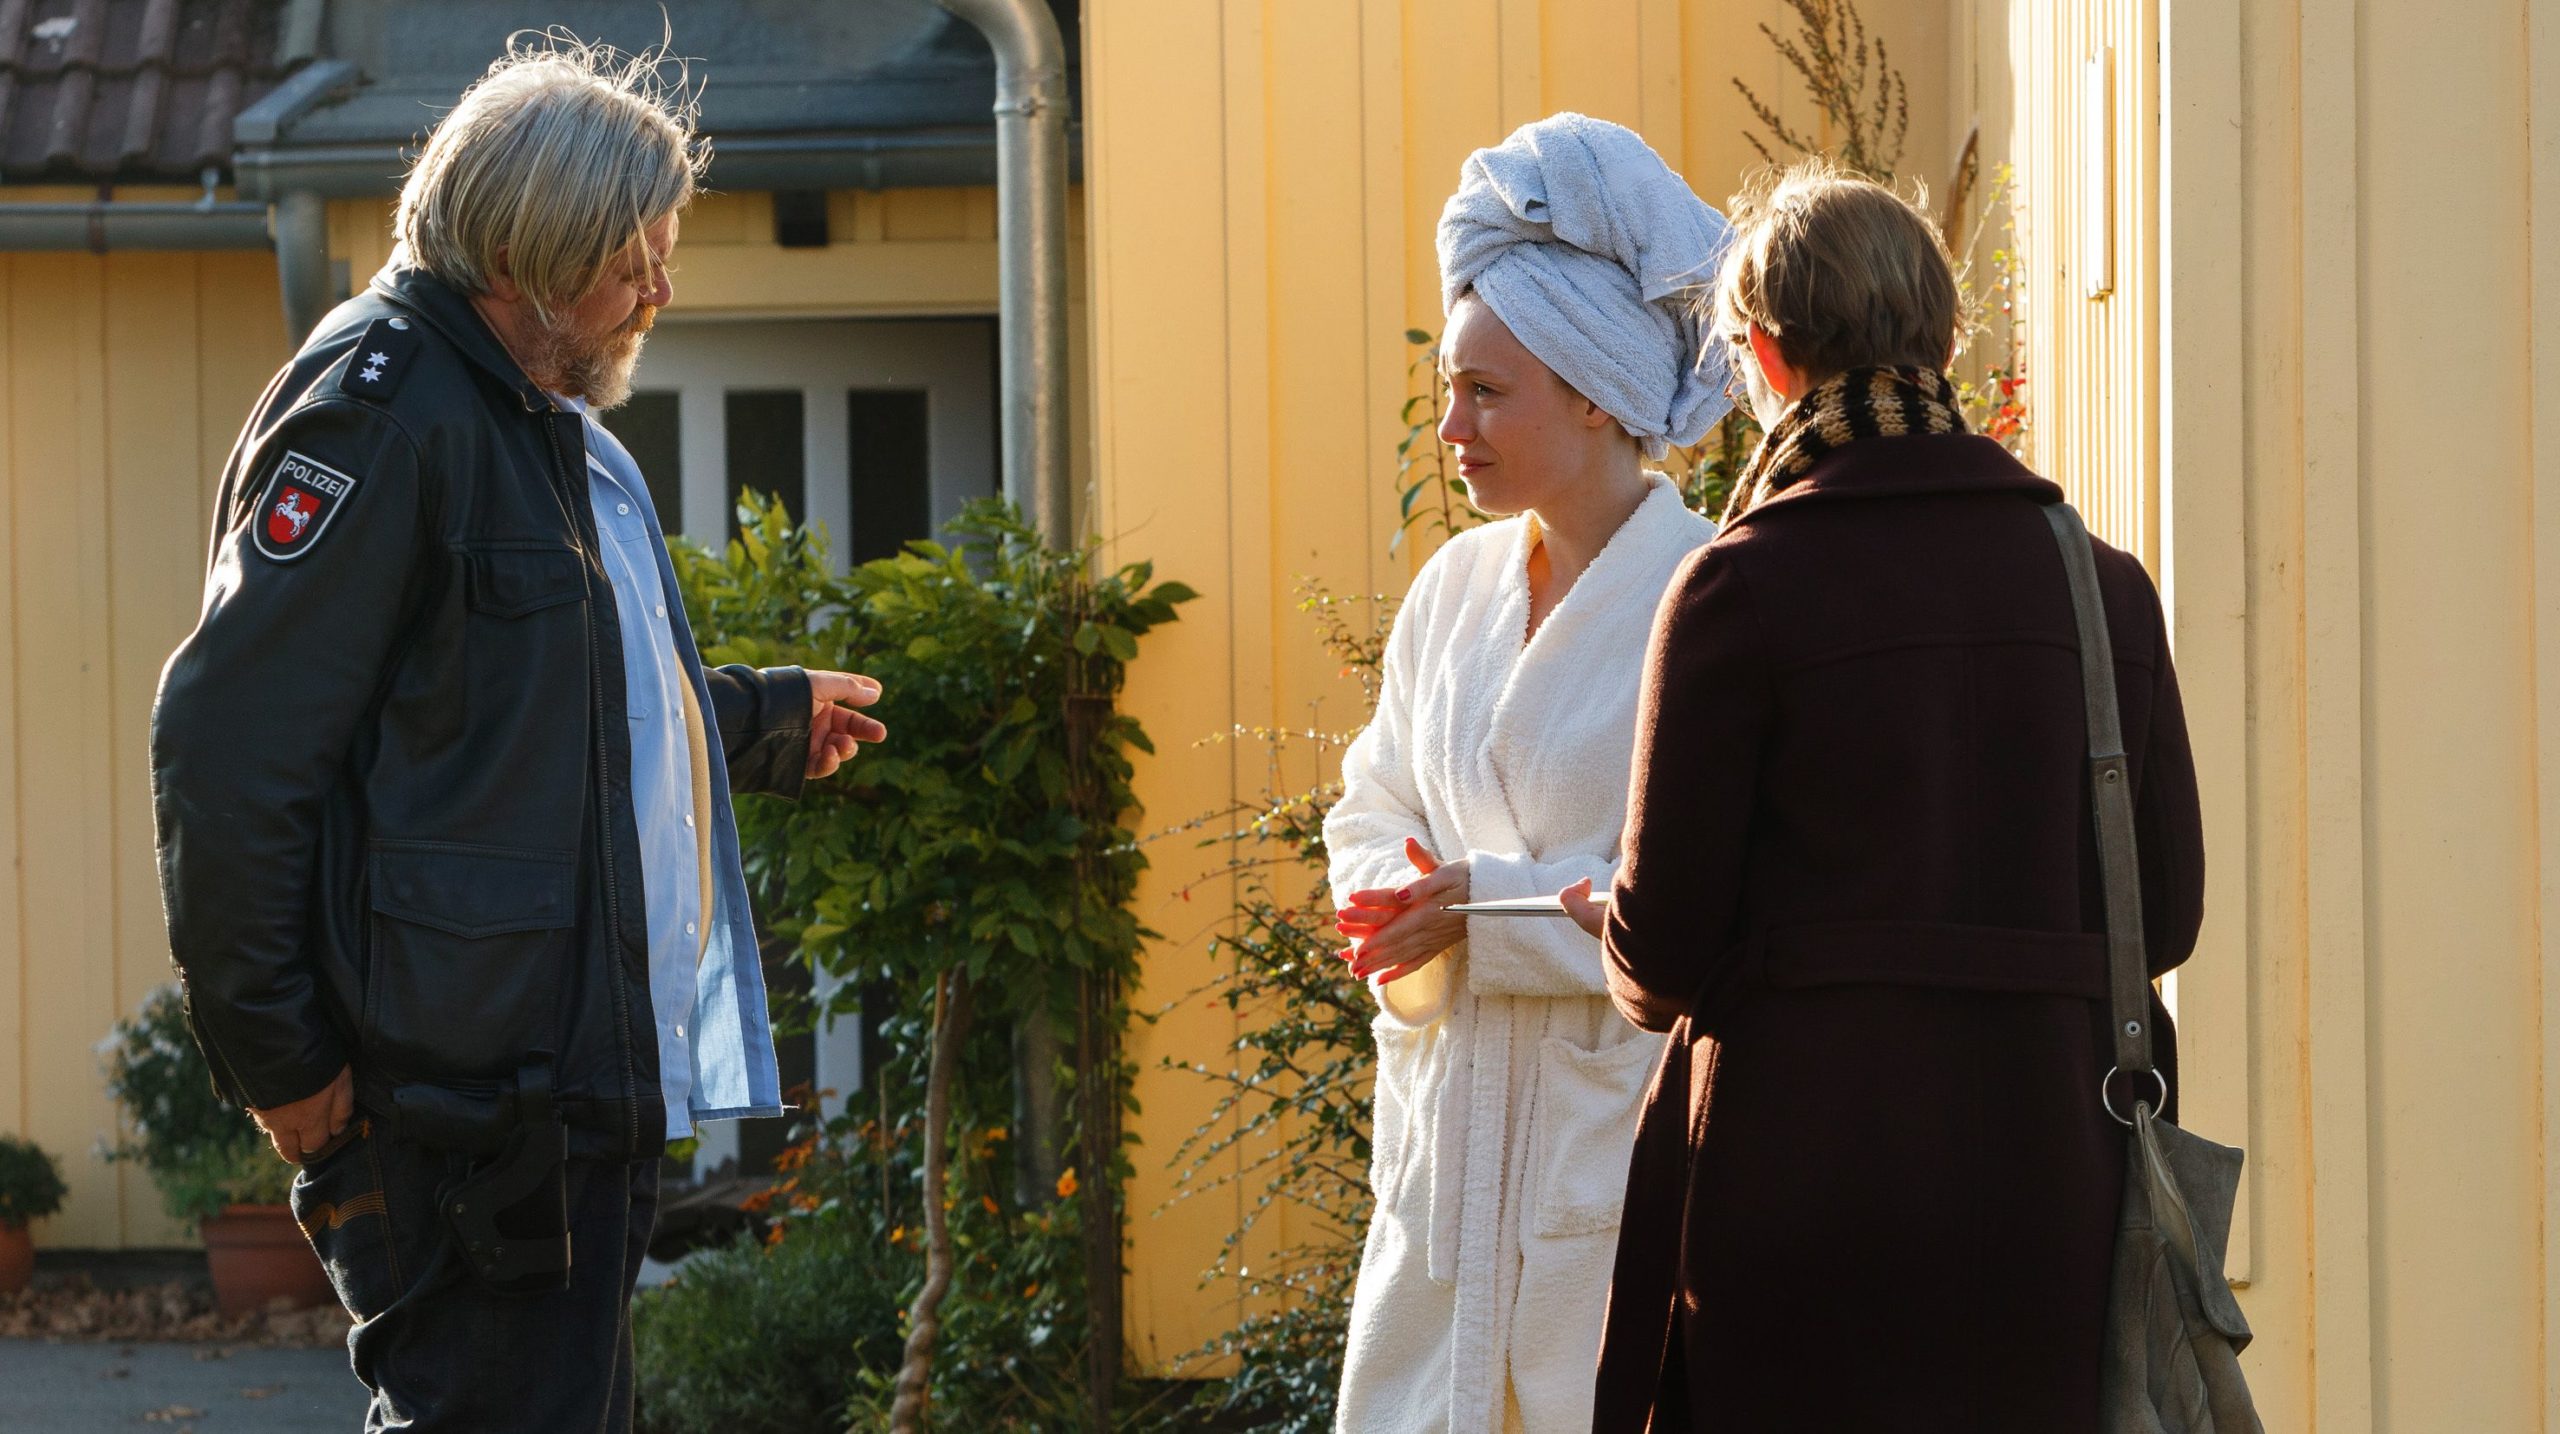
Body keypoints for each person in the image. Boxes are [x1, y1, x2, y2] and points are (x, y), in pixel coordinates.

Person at [149, 38, 885, 1432]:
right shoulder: (382, 416)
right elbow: (225, 751)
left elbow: (548, 716)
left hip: (545, 1093)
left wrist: (760, 719)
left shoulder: (520, 417)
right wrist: (283, 1059)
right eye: (634, 257)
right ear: (523, 255)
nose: (660, 291)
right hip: (459, 1110)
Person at [1560, 159, 2206, 1431]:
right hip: (2052, 1196)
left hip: (1800, 1198)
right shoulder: (2103, 588)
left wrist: (1614, 928)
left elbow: (1664, 958)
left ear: (1764, 354)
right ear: (1945, 342)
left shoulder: (1737, 587)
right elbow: (2164, 917)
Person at [1324, 113, 1730, 1433]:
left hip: (1604, 1145)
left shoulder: (1704, 597)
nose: (1451, 425)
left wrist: (1486, 910)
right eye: (1450, 388)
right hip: (1448, 1152)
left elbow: (1713, 890)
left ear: (1596, 391)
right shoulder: (1454, 588)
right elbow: (1373, 795)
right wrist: (1396, 895)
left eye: (1486, 393)